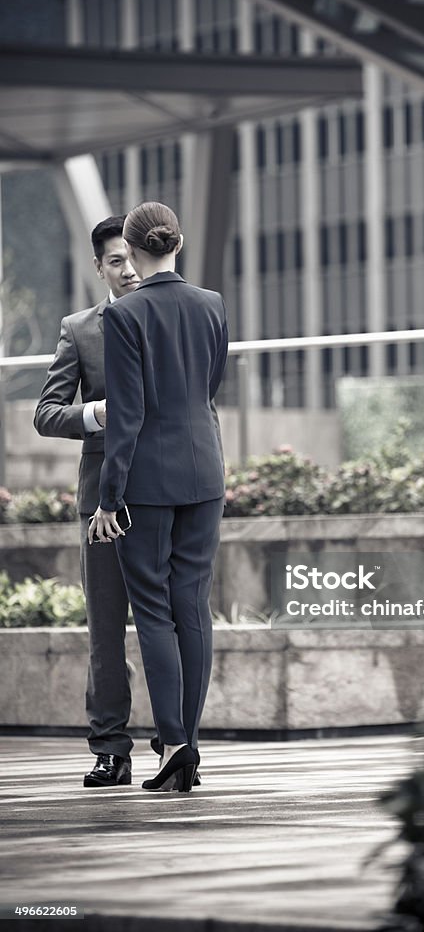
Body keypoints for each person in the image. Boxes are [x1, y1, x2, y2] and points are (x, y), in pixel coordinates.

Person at [88, 201, 228, 794]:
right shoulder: (212, 304)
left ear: (133, 249)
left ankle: (173, 742)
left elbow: (127, 416)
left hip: (145, 479)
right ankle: (188, 745)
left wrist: (106, 498)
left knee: (152, 611)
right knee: (192, 608)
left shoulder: (124, 315)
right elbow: (210, 386)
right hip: (205, 470)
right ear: (177, 243)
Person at [34, 217, 139, 787]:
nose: (128, 270)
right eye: (116, 261)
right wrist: (96, 415)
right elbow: (46, 413)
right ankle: (110, 747)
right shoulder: (80, 329)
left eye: (134, 257)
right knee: (105, 629)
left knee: (171, 623)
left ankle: (177, 744)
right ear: (98, 266)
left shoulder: (174, 316)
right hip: (102, 499)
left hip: (168, 494)